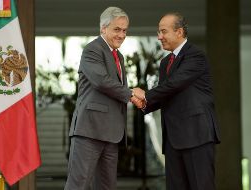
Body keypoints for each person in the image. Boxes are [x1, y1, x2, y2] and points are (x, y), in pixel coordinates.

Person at [132, 12, 220, 190]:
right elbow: (167, 93)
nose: (159, 37)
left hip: (197, 136)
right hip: (173, 139)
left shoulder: (196, 56)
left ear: (179, 32)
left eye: (163, 32)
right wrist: (144, 104)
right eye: (159, 32)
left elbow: (174, 84)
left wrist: (146, 96)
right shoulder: (166, 62)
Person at [64, 7, 139, 190]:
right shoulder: (92, 50)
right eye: (117, 29)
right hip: (89, 131)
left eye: (124, 30)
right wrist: (131, 94)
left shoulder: (118, 56)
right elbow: (101, 82)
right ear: (103, 29)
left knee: (107, 187)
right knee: (78, 185)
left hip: (111, 134)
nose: (121, 35)